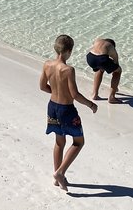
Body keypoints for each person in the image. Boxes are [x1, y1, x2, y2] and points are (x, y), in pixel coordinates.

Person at [40, 34, 97, 191]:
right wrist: (91, 104)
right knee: (79, 142)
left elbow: (43, 86)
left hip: (52, 107)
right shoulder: (68, 70)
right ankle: (60, 173)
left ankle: (57, 178)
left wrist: (57, 92)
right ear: (69, 51)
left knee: (59, 142)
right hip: (67, 110)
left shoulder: (47, 65)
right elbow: (75, 95)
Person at [86, 38, 123, 103]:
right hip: (101, 59)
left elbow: (96, 51)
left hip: (90, 57)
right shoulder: (112, 47)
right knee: (118, 71)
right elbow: (116, 63)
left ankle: (94, 94)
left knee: (99, 69)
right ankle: (112, 97)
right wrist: (115, 86)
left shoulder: (98, 40)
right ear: (113, 45)